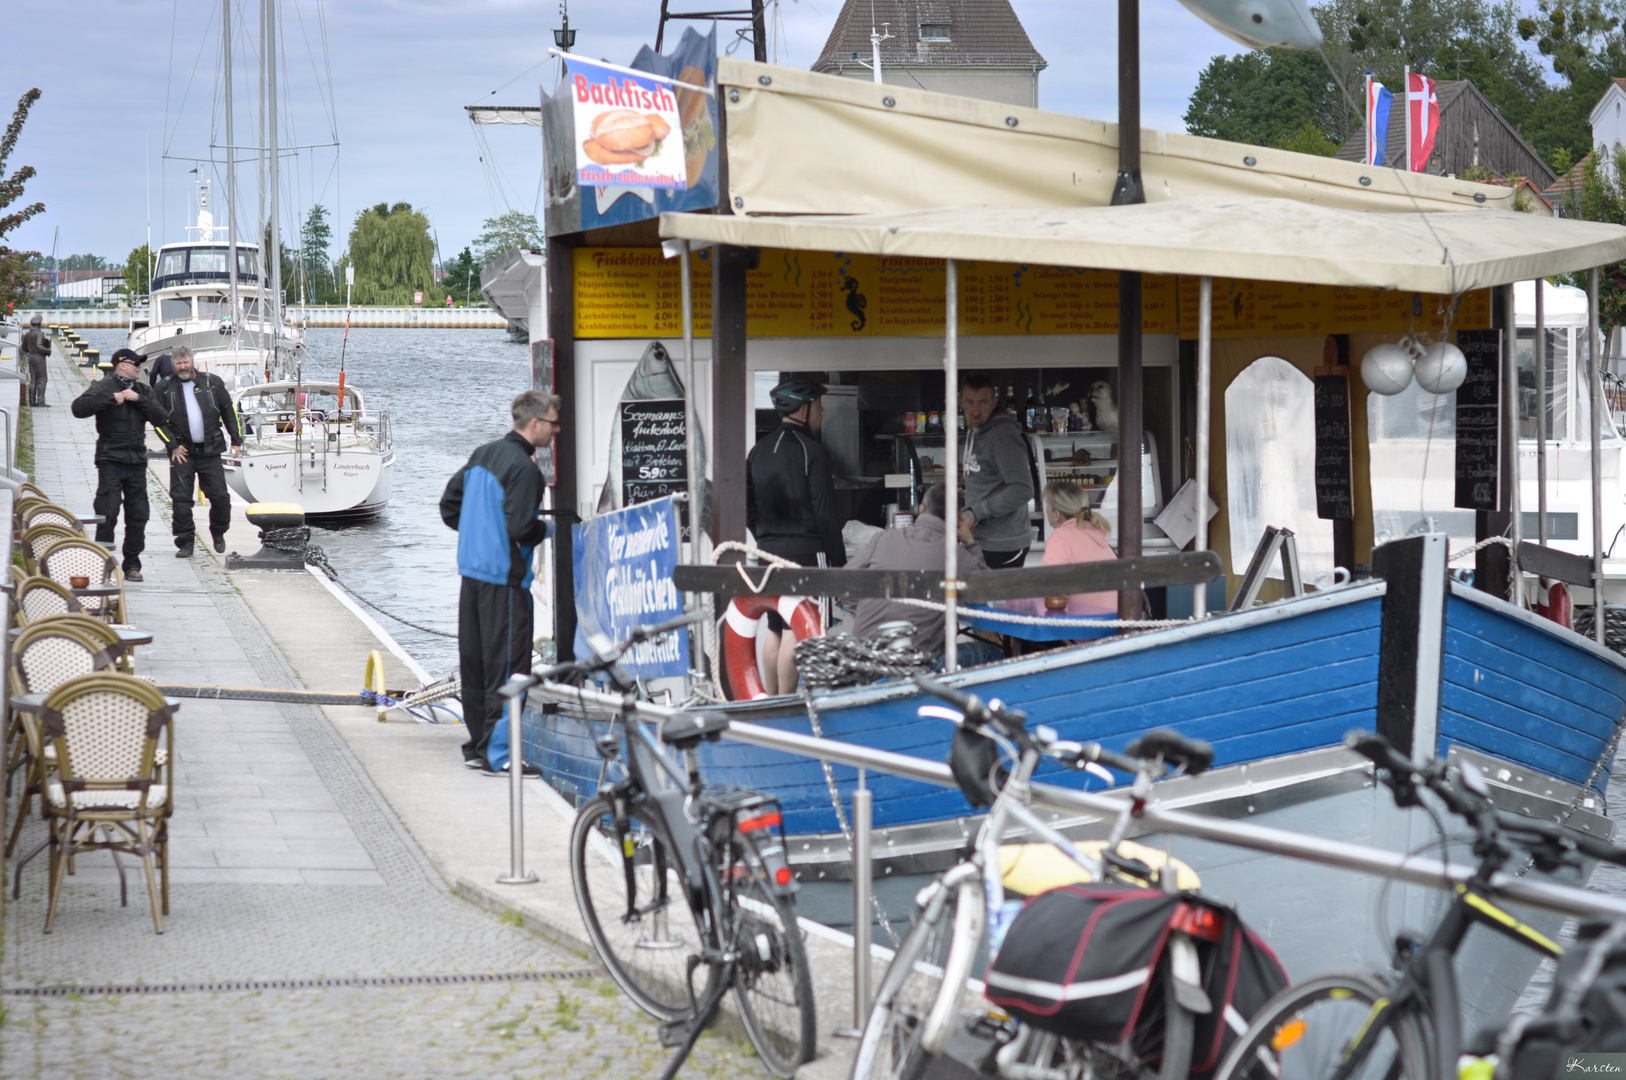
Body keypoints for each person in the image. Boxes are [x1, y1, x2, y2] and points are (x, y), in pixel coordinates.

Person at [440, 390, 557, 774]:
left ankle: (478, 747)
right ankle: (501, 754)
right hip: (504, 583)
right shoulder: (525, 469)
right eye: (554, 424)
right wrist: (550, 528)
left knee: (474, 666)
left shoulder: (483, 454)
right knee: (509, 668)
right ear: (535, 424)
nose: (556, 432)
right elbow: (523, 528)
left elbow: (449, 507)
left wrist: (479, 530)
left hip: (471, 576)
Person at [745, 375, 846, 693]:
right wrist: (838, 564)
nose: (822, 412)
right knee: (796, 629)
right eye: (818, 406)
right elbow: (826, 516)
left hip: (767, 552)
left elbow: (747, 507)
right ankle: (787, 703)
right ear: (803, 410)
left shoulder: (758, 450)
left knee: (775, 627)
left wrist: (764, 537)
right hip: (806, 552)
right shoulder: (811, 452)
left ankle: (771, 700)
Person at [848, 484, 995, 668]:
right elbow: (988, 591)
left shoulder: (883, 539)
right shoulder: (957, 555)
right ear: (957, 520)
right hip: (916, 664)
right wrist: (970, 542)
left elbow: (845, 586)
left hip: (863, 659)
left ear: (922, 509)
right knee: (994, 653)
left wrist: (869, 612)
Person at [71, 348, 173, 582]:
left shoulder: (142, 390)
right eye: (135, 363)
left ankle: (132, 565)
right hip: (110, 458)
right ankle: (103, 562)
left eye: (140, 363)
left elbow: (161, 417)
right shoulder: (104, 386)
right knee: (107, 511)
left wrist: (140, 400)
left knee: (138, 515)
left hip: (136, 460)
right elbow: (78, 409)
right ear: (121, 365)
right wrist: (110, 400)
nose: (139, 366)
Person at [152, 346, 242, 557]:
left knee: (220, 497)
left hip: (210, 450)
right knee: (181, 499)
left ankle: (218, 531)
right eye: (178, 364)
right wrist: (172, 444)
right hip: (182, 452)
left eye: (185, 362)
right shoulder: (163, 388)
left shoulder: (212, 383)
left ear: (192, 361)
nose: (182, 367)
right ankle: (185, 542)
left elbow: (229, 411)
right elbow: (157, 421)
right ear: (172, 365)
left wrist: (236, 440)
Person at [958, 372, 1035, 568]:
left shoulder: (1001, 435)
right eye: (970, 402)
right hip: (983, 538)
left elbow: (1023, 489)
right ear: (960, 402)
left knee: (994, 598)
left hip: (1003, 544)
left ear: (994, 402)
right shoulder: (976, 430)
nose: (975, 411)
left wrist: (976, 512)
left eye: (983, 403)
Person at [1034, 480, 1119, 615]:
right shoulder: (1097, 533)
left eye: (1048, 506)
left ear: (1056, 514)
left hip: (1083, 627)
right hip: (1112, 623)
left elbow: (1051, 585)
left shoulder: (1060, 536)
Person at [20, 314, 50, 407]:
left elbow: (24, 348)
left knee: (33, 379)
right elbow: (39, 346)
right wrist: (48, 350)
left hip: (31, 357)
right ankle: (41, 401)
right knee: (42, 379)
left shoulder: (27, 334)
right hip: (39, 358)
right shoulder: (40, 333)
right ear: (39, 324)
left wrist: (30, 350)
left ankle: (32, 401)